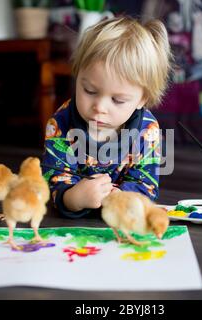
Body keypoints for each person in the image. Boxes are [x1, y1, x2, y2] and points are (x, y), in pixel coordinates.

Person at [42, 16, 172, 218]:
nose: (99, 107)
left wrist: (121, 197)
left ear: (142, 100)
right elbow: (54, 179)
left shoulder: (148, 131)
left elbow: (146, 184)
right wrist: (74, 198)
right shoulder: (60, 124)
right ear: (77, 76)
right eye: (89, 90)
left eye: (118, 100)